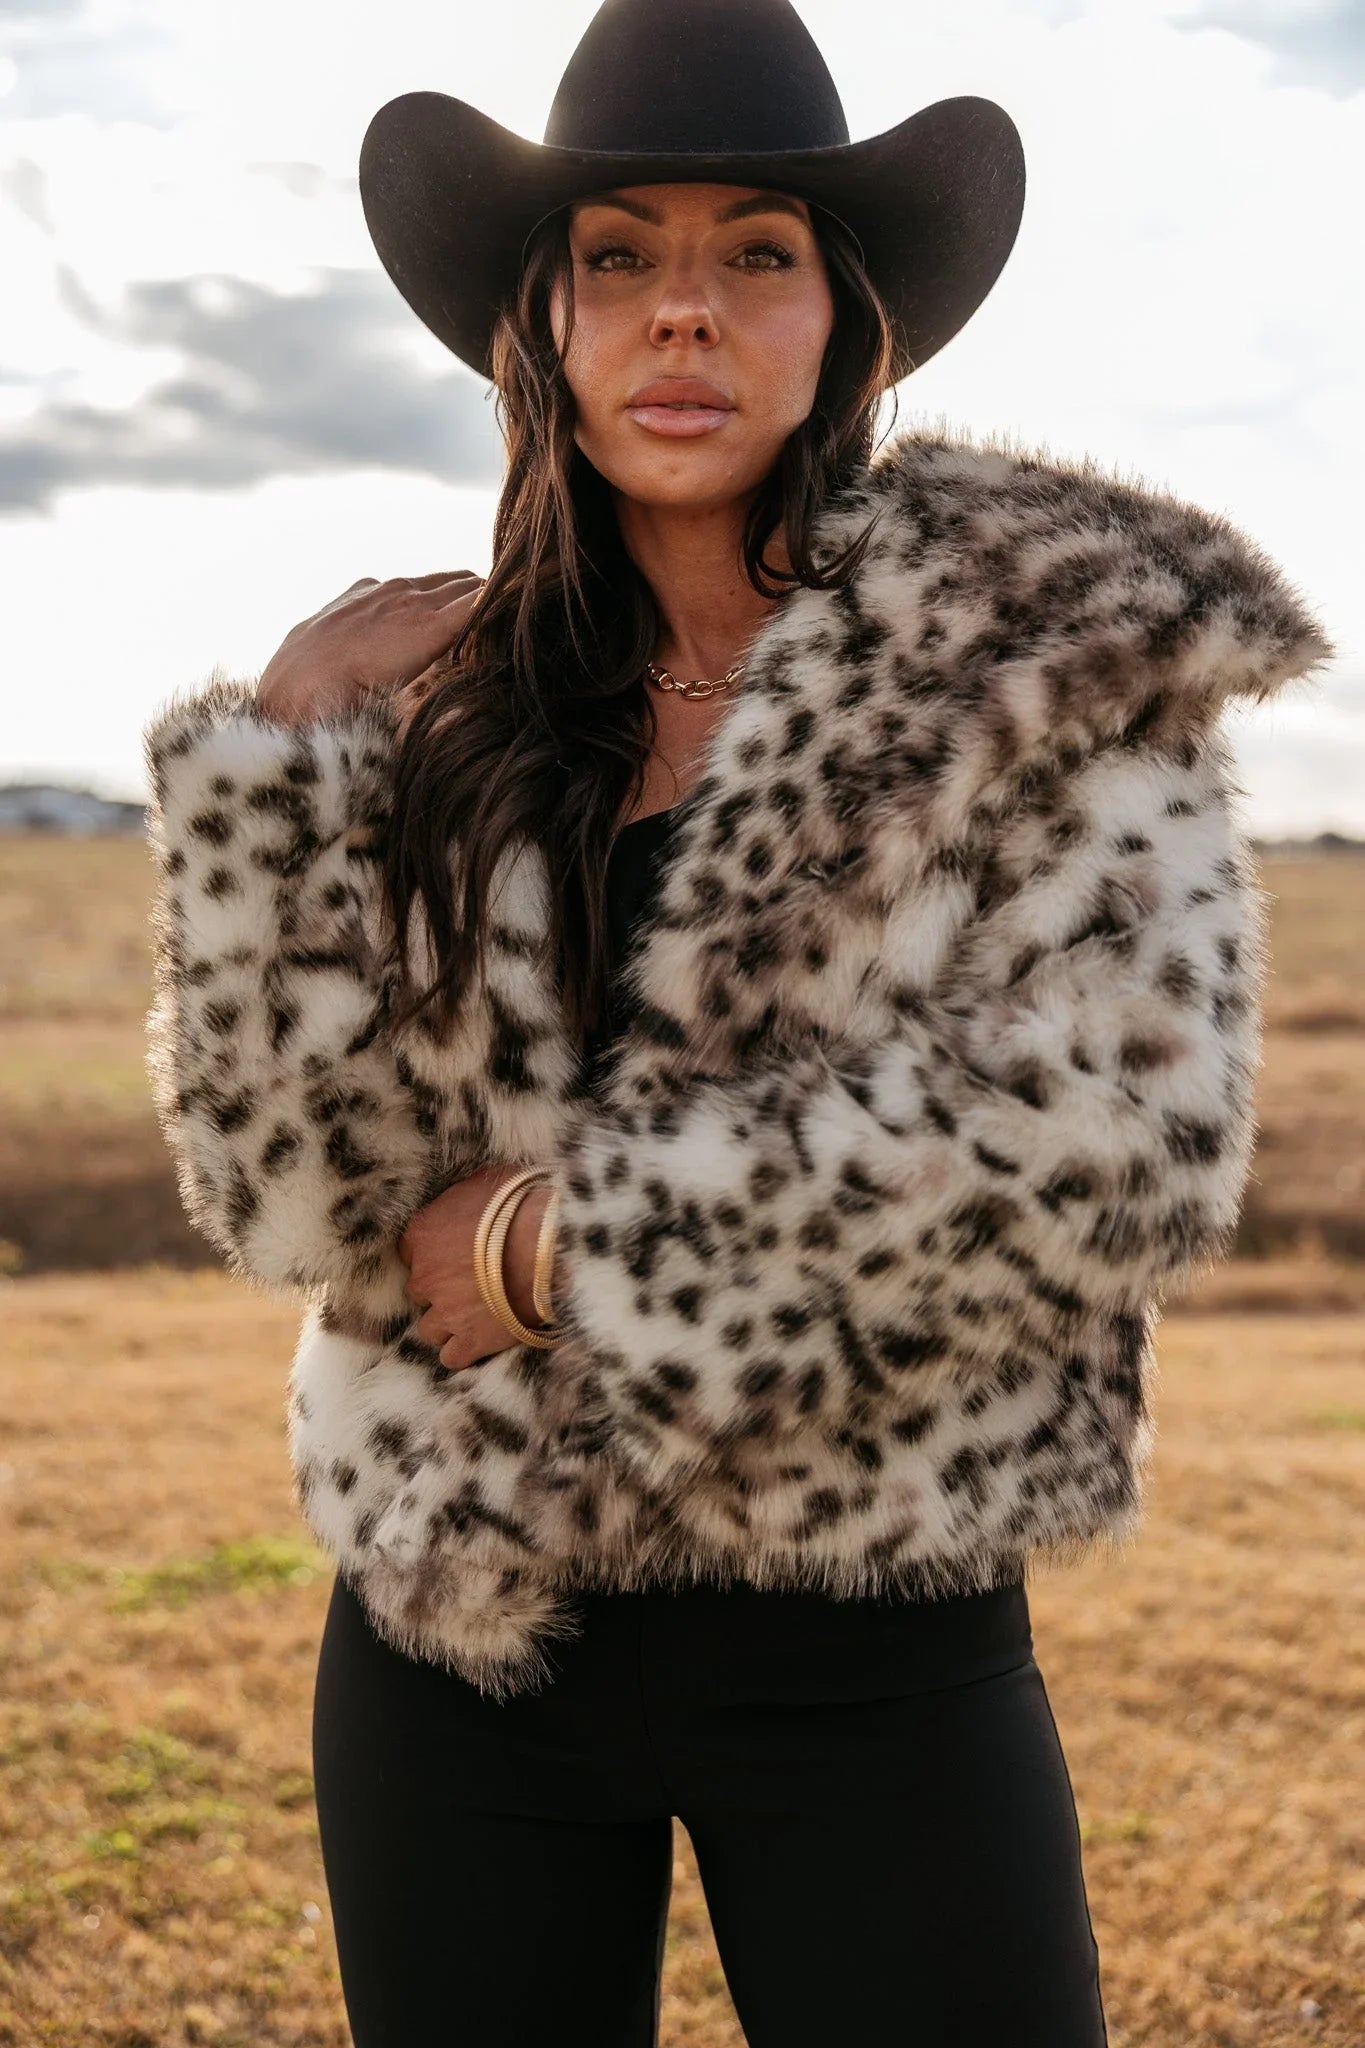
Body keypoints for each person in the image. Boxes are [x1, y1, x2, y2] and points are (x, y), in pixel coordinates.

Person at [140, 3, 1334, 2043]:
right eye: (619, 254)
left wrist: (555, 1246)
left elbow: (1105, 1147)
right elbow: (291, 1194)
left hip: (871, 1636)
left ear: (844, 325)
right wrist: (276, 770)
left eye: (752, 254)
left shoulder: (1031, 683)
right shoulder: (447, 711)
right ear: (543, 321)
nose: (678, 315)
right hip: (461, 1633)